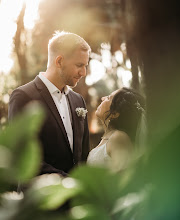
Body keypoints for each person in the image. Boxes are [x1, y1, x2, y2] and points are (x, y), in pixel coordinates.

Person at [8, 31, 91, 177]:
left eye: (85, 65)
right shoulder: (23, 96)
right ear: (59, 61)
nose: (83, 72)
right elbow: (22, 156)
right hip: (39, 197)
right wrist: (68, 183)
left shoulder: (79, 101)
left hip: (77, 197)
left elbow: (83, 155)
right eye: (79, 65)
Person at [87, 87, 146, 171]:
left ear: (114, 114)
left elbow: (123, 178)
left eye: (108, 98)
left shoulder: (119, 137)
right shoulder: (108, 138)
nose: (102, 98)